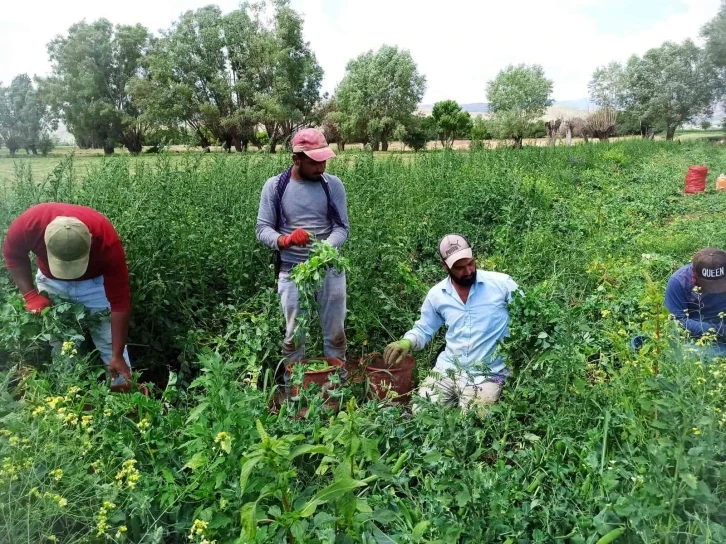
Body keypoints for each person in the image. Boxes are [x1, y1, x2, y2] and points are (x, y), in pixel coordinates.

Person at [2, 203, 133, 390]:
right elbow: (13, 256)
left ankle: (125, 398)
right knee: (64, 344)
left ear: (90, 241)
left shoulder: (105, 239)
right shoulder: (29, 224)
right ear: (45, 241)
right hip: (51, 282)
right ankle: (71, 395)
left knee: (109, 341)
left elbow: (120, 301)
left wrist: (117, 354)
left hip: (95, 284)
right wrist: (30, 295)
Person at [383, 234, 520, 411]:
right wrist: (407, 341)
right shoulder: (437, 294)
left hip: (489, 373)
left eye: (470, 263)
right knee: (421, 411)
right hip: (448, 369)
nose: (468, 271)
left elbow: (527, 317)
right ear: (444, 266)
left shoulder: (502, 285)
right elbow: (424, 329)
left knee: (473, 421)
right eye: (459, 268)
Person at [255, 128, 350, 374]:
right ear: (296, 159)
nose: (321, 167)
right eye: (314, 162)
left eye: (324, 160)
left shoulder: (333, 186)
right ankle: (294, 393)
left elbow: (342, 228)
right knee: (294, 338)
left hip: (329, 271)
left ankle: (337, 386)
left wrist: (326, 249)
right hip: (292, 273)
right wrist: (285, 240)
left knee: (336, 336)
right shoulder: (275, 187)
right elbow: (262, 229)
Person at [662, 247, 726, 356]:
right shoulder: (679, 282)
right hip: (697, 332)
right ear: (695, 276)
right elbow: (676, 321)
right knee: (683, 352)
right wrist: (718, 330)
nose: (715, 289)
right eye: (710, 285)